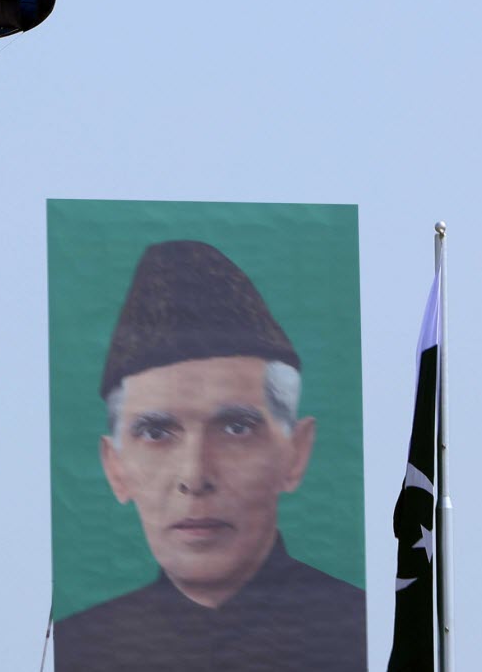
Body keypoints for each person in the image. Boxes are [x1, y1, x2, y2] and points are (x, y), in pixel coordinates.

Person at [54, 240, 367, 672]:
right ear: (115, 467)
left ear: (296, 453)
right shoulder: (80, 649)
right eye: (156, 432)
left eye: (236, 428)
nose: (195, 475)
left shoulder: (367, 633)